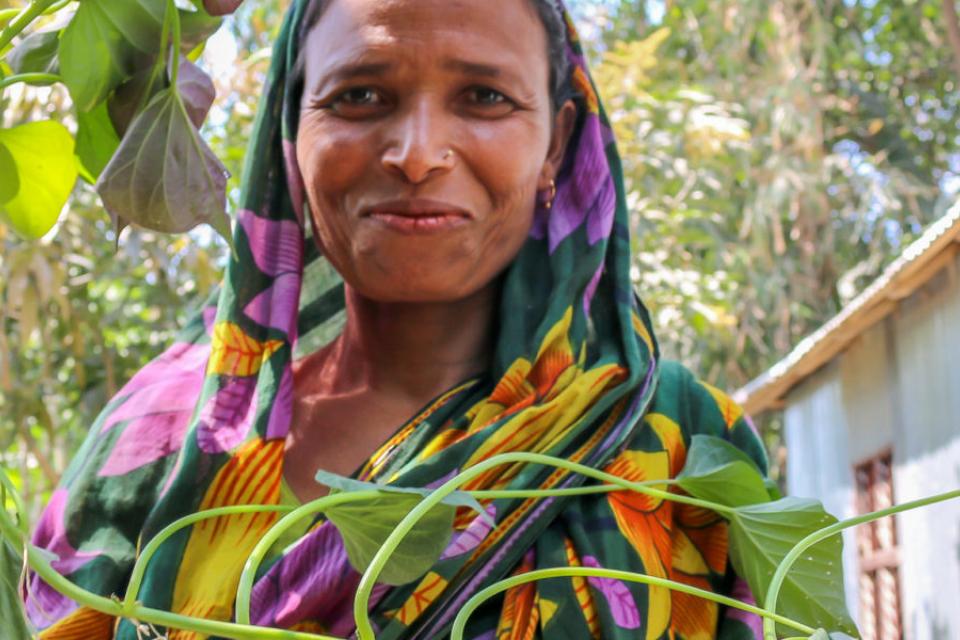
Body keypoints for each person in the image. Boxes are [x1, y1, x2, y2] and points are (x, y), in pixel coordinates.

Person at [25, 0, 769, 638]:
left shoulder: (676, 443)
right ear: (291, 131)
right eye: (359, 96)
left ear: (559, 144)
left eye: (483, 97)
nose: (416, 156)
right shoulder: (158, 441)